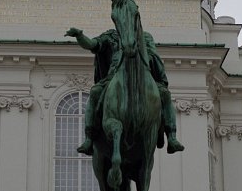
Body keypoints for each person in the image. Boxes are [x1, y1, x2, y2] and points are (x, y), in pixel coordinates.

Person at [65, 24, 184, 155]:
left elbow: (153, 57)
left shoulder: (144, 37)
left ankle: (172, 137)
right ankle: (89, 138)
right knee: (94, 93)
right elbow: (93, 44)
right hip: (113, 78)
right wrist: (80, 36)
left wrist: (138, 53)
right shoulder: (110, 36)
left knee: (165, 95)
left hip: (141, 77)